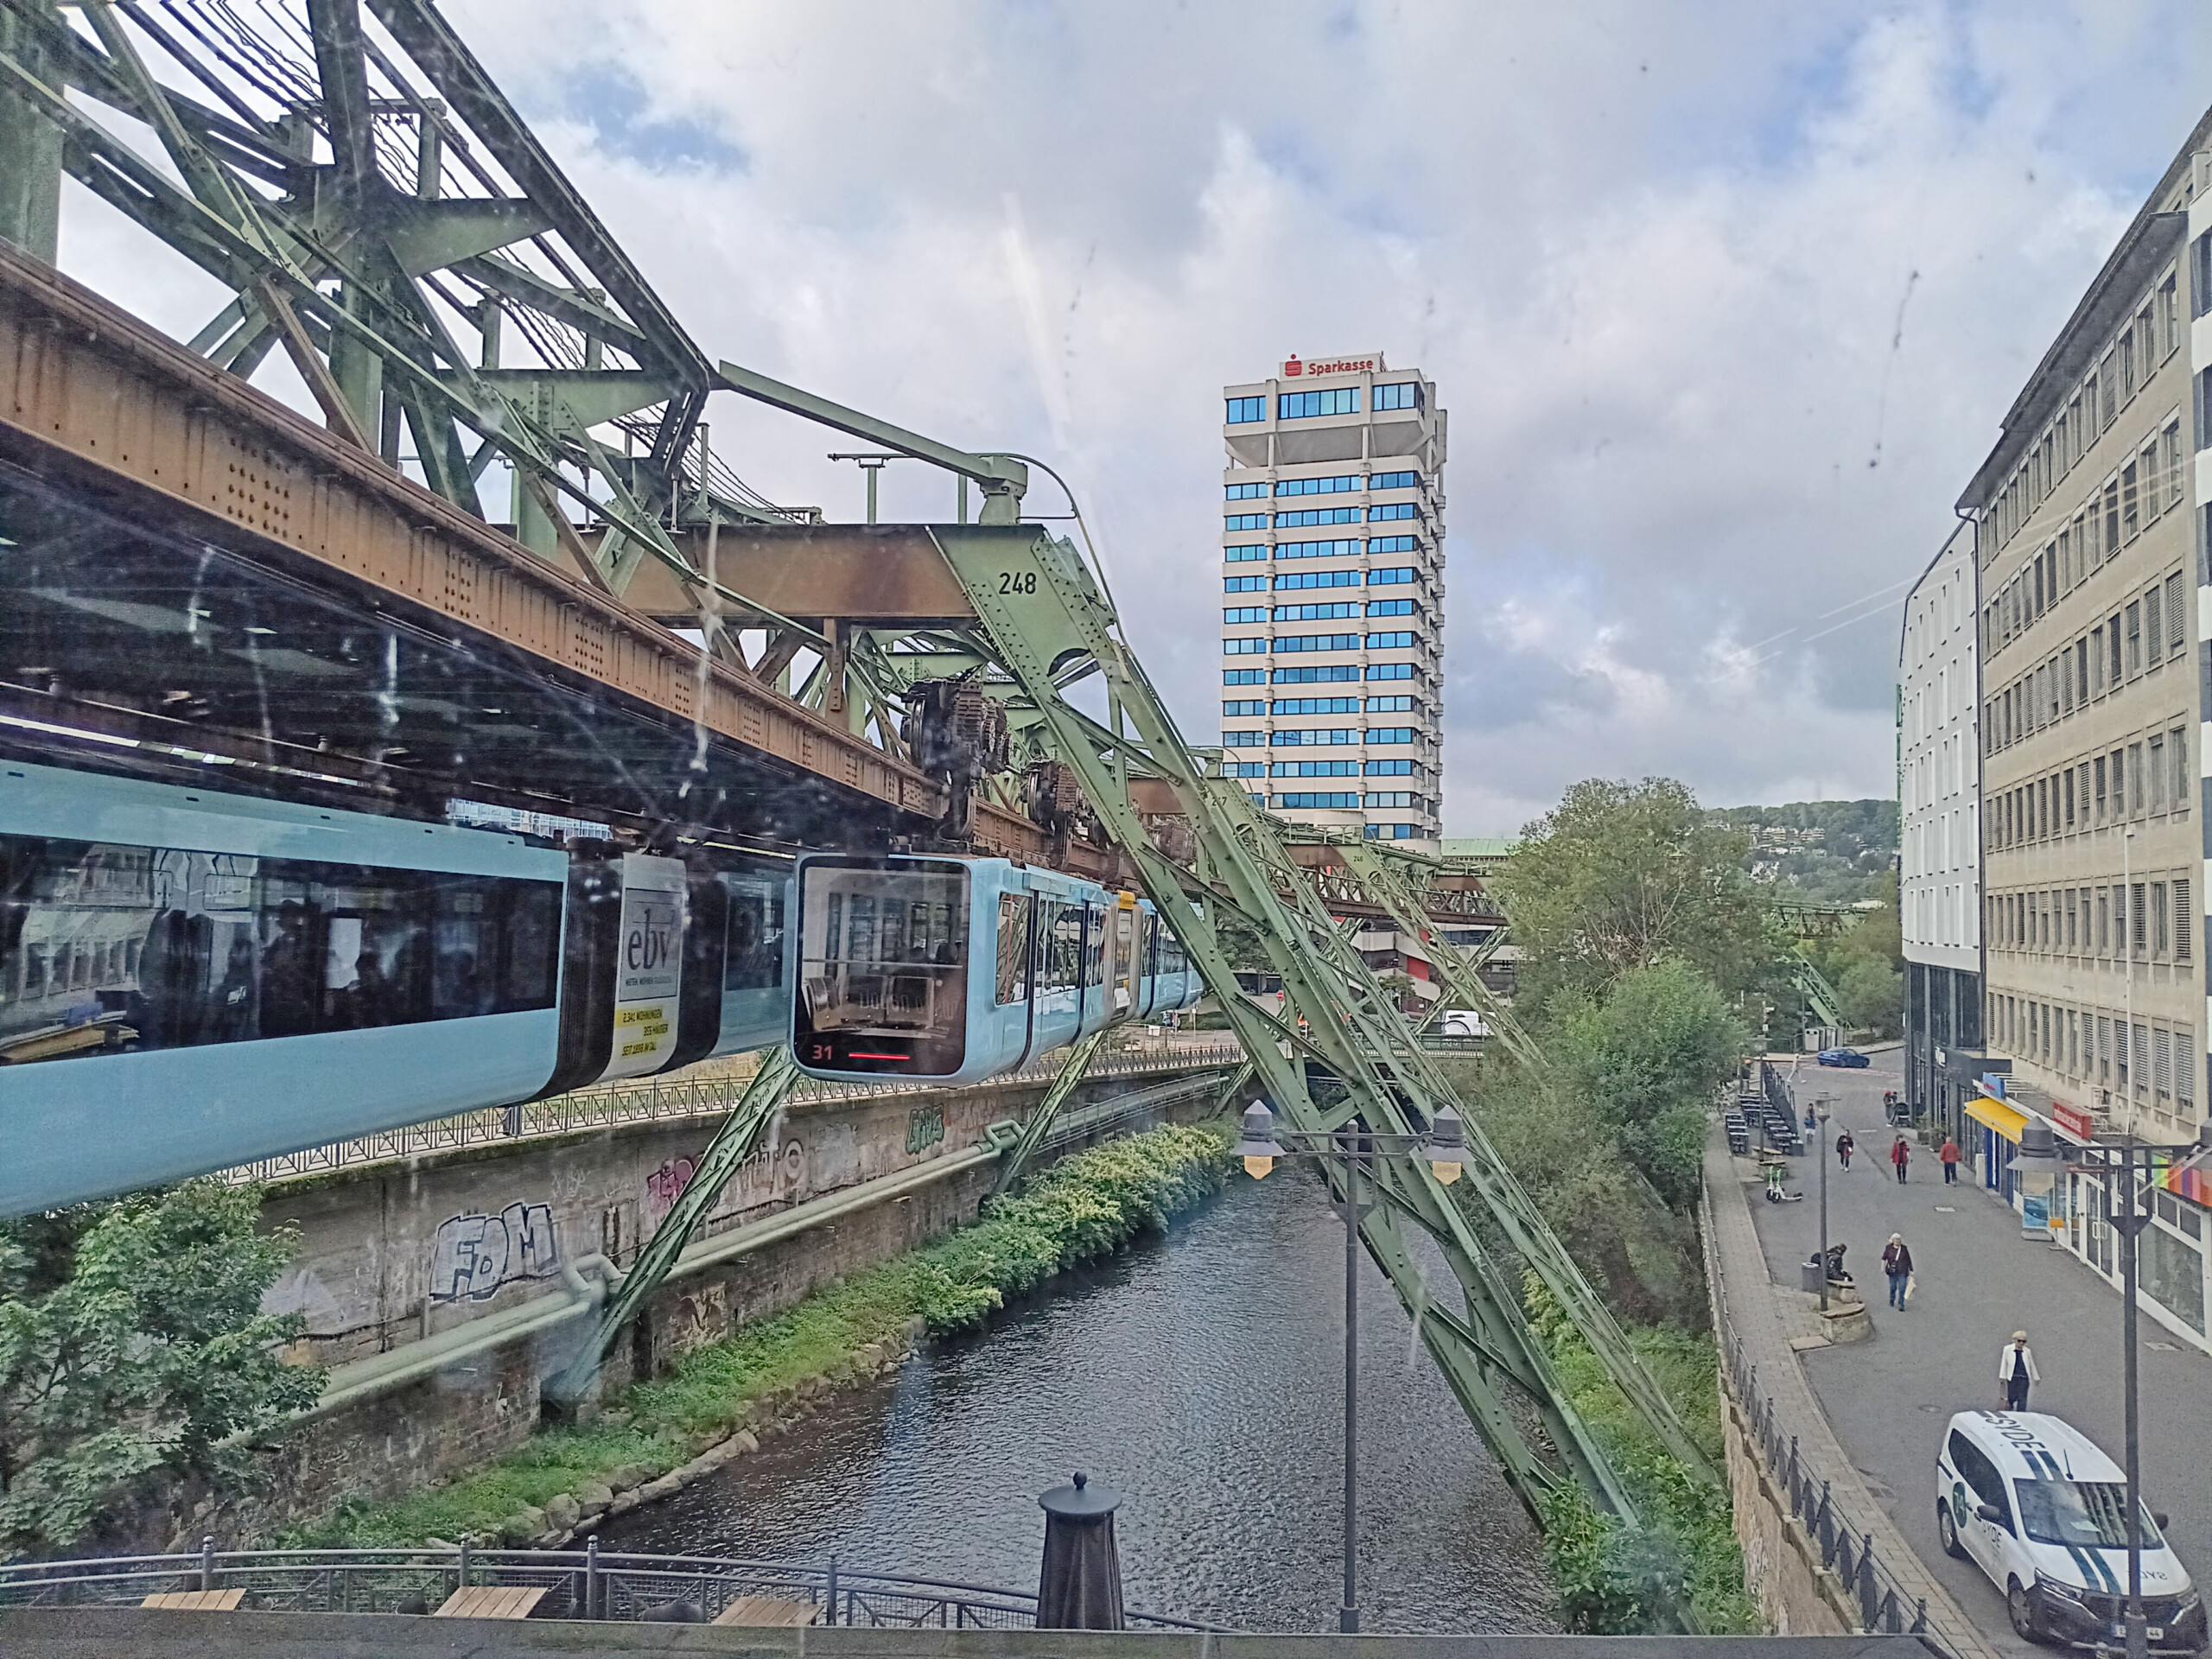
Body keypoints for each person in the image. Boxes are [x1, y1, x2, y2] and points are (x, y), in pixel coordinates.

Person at [1999, 1331, 2038, 1410]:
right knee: (2011, 1396)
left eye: (2023, 1342)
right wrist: (2002, 1376)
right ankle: (2010, 1410)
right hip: (2012, 1377)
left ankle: (2021, 1413)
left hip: (2024, 1378)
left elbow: (2031, 1364)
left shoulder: (2027, 1351)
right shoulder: (2007, 1349)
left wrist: (2036, 1376)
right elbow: (2004, 1363)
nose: (2021, 1343)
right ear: (2014, 1340)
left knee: (2022, 1398)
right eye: (2019, 1341)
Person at [1881, 1233, 1914, 1309]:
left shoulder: (1904, 1249)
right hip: (1893, 1272)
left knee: (1902, 1288)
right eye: (1896, 1239)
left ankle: (1901, 1304)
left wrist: (1911, 1269)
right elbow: (1884, 1258)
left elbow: (1908, 1259)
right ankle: (1892, 1299)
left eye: (1898, 1240)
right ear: (1892, 1240)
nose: (1897, 1241)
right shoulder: (1888, 1248)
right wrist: (1882, 1267)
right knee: (1893, 1287)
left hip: (1903, 1271)